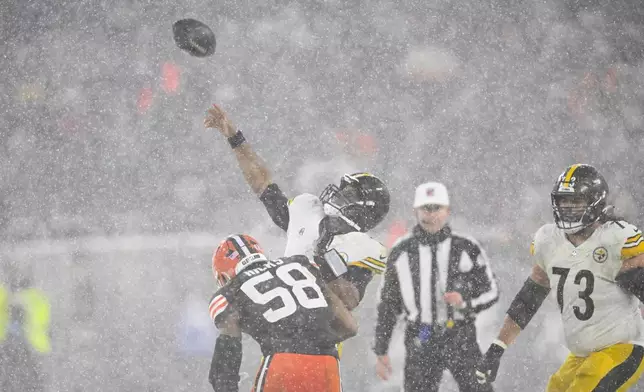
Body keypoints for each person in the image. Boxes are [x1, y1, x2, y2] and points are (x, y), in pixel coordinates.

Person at [204, 104, 390, 310]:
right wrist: (235, 139)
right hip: (281, 324)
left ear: (365, 210)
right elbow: (262, 183)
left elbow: (348, 300)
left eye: (349, 194)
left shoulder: (365, 247)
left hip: (319, 335)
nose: (339, 195)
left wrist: (325, 257)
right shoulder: (308, 211)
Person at [476, 164, 644, 391]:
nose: (568, 208)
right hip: (582, 354)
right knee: (556, 387)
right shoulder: (549, 241)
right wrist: (497, 347)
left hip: (623, 348)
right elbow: (528, 300)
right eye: (564, 201)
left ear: (595, 202)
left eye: (576, 202)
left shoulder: (617, 238)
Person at [373, 182, 499, 392]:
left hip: (460, 334)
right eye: (426, 209)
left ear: (448, 210)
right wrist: (381, 350)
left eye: (437, 208)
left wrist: (465, 302)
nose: (431, 215)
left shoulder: (466, 247)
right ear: (415, 211)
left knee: (479, 388)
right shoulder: (401, 252)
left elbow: (491, 291)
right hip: (420, 336)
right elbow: (387, 304)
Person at [207, 234, 358, 392]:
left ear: (224, 277)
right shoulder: (301, 264)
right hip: (327, 363)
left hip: (282, 363)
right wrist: (316, 342)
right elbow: (350, 327)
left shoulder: (229, 293)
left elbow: (224, 370)